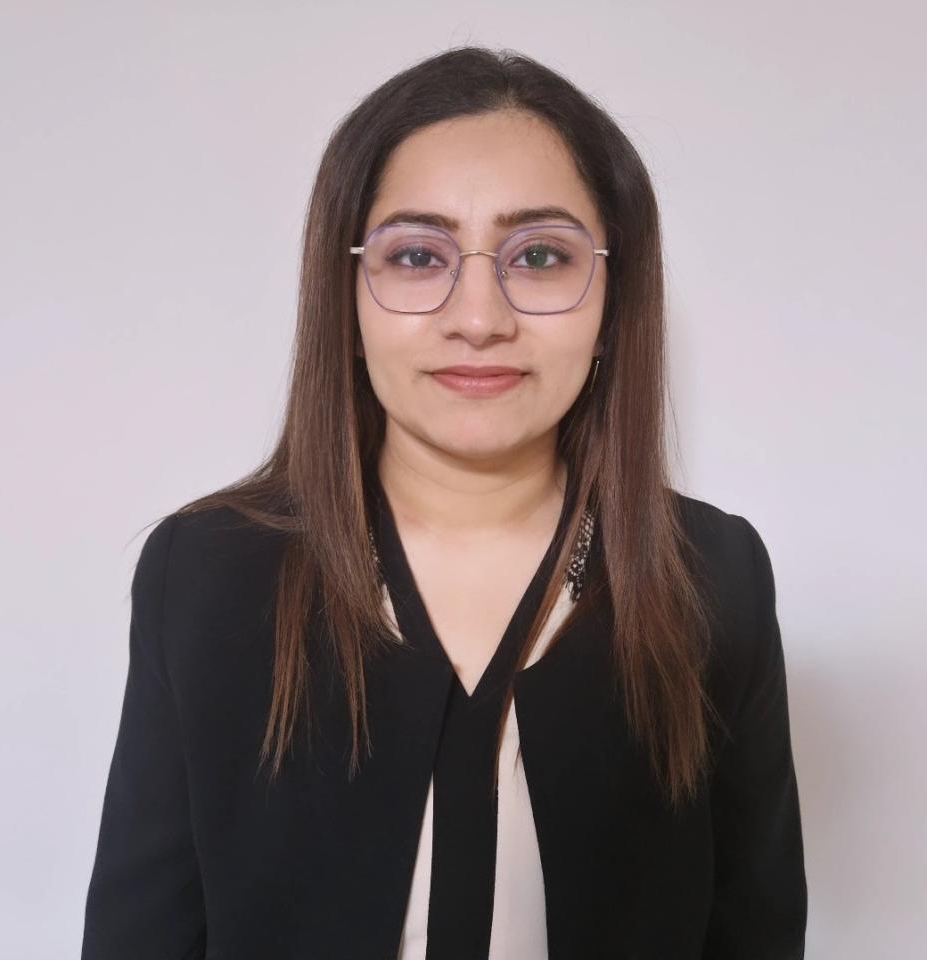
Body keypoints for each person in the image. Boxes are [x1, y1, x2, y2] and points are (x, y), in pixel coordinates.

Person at [80, 45, 807, 960]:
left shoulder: (713, 575)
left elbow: (758, 933)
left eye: (539, 256)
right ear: (344, 295)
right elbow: (139, 938)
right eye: (418, 255)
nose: (478, 317)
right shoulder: (209, 572)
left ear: (615, 299)